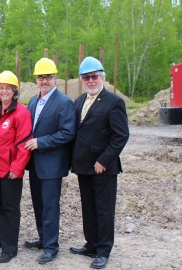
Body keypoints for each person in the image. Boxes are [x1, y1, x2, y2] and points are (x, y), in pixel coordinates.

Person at [70, 56, 129, 269]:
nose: (90, 81)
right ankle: (91, 244)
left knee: (104, 209)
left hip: (104, 167)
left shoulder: (114, 102)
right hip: (84, 166)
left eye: (94, 77)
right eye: (86, 78)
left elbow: (120, 136)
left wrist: (104, 160)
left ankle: (103, 250)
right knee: (88, 207)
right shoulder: (79, 101)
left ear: (102, 77)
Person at [23, 57, 77, 265]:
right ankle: (43, 238)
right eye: (41, 77)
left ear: (55, 78)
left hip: (52, 165)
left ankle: (51, 246)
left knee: (50, 206)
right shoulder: (34, 100)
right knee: (38, 204)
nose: (44, 81)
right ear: (36, 79)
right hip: (35, 163)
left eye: (48, 77)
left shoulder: (64, 102)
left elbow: (67, 132)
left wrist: (40, 142)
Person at [0, 71, 32, 263]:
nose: (3, 91)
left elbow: (24, 144)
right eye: (0, 88)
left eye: (7, 88)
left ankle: (10, 247)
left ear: (14, 91)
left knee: (10, 208)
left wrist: (17, 169)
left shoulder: (21, 113)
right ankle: (2, 236)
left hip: (10, 171)